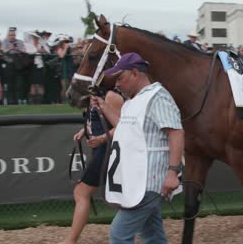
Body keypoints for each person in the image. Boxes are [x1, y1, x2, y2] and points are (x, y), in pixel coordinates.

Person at [101, 52, 184, 244]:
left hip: (148, 182)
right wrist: (103, 107)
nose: (117, 84)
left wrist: (173, 173)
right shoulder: (133, 101)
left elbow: (176, 132)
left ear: (135, 73)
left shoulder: (158, 97)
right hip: (138, 180)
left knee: (118, 234)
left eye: (120, 78)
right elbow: (123, 127)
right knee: (151, 234)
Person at [61, 89, 124, 244]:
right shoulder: (97, 95)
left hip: (107, 151)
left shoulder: (111, 96)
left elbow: (124, 126)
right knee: (120, 199)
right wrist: (85, 130)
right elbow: (100, 120)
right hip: (102, 150)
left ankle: (71, 240)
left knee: (81, 192)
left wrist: (101, 138)